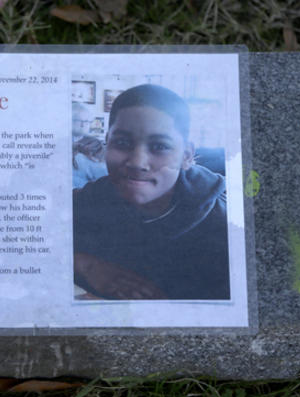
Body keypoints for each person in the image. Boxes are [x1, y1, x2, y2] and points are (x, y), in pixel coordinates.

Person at [73, 84, 230, 300]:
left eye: (160, 146)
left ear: (186, 155)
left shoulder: (224, 229)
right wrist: (85, 265)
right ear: (107, 144)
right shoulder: (95, 196)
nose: (137, 162)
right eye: (122, 143)